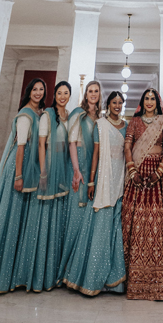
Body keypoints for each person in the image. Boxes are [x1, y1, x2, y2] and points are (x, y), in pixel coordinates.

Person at [0, 78, 45, 293]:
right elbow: (21, 147)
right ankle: (2, 274)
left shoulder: (38, 114)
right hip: (18, 168)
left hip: (26, 169)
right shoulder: (25, 115)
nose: (38, 93)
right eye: (35, 89)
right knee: (11, 218)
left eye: (42, 90)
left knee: (20, 219)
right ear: (28, 91)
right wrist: (19, 176)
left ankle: (14, 271)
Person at [122, 89, 163, 301]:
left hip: (159, 177)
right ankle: (136, 281)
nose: (150, 102)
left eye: (153, 99)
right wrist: (132, 170)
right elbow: (127, 145)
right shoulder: (134, 121)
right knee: (137, 222)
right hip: (138, 174)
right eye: (147, 99)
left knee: (160, 223)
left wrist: (160, 171)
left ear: (157, 102)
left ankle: (162, 282)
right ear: (142, 102)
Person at [64, 91, 127, 295]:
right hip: (104, 177)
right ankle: (91, 277)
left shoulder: (126, 127)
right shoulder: (101, 125)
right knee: (100, 222)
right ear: (108, 104)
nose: (117, 105)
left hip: (121, 177)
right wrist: (91, 181)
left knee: (116, 225)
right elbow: (96, 155)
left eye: (120, 102)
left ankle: (115, 279)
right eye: (114, 102)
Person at [56, 80, 101, 283]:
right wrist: (76, 170)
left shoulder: (101, 117)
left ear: (100, 94)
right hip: (79, 167)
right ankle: (66, 268)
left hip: (93, 170)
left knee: (87, 219)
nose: (93, 94)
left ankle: (81, 267)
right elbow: (72, 142)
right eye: (90, 91)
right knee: (75, 216)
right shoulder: (78, 114)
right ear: (86, 93)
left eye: (96, 91)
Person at [30, 80, 72, 292]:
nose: (63, 97)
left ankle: (55, 269)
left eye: (66, 93)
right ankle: (40, 273)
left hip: (64, 168)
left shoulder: (68, 116)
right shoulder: (47, 115)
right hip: (50, 168)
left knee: (59, 217)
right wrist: (44, 172)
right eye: (59, 93)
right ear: (54, 95)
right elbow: (41, 143)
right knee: (45, 218)